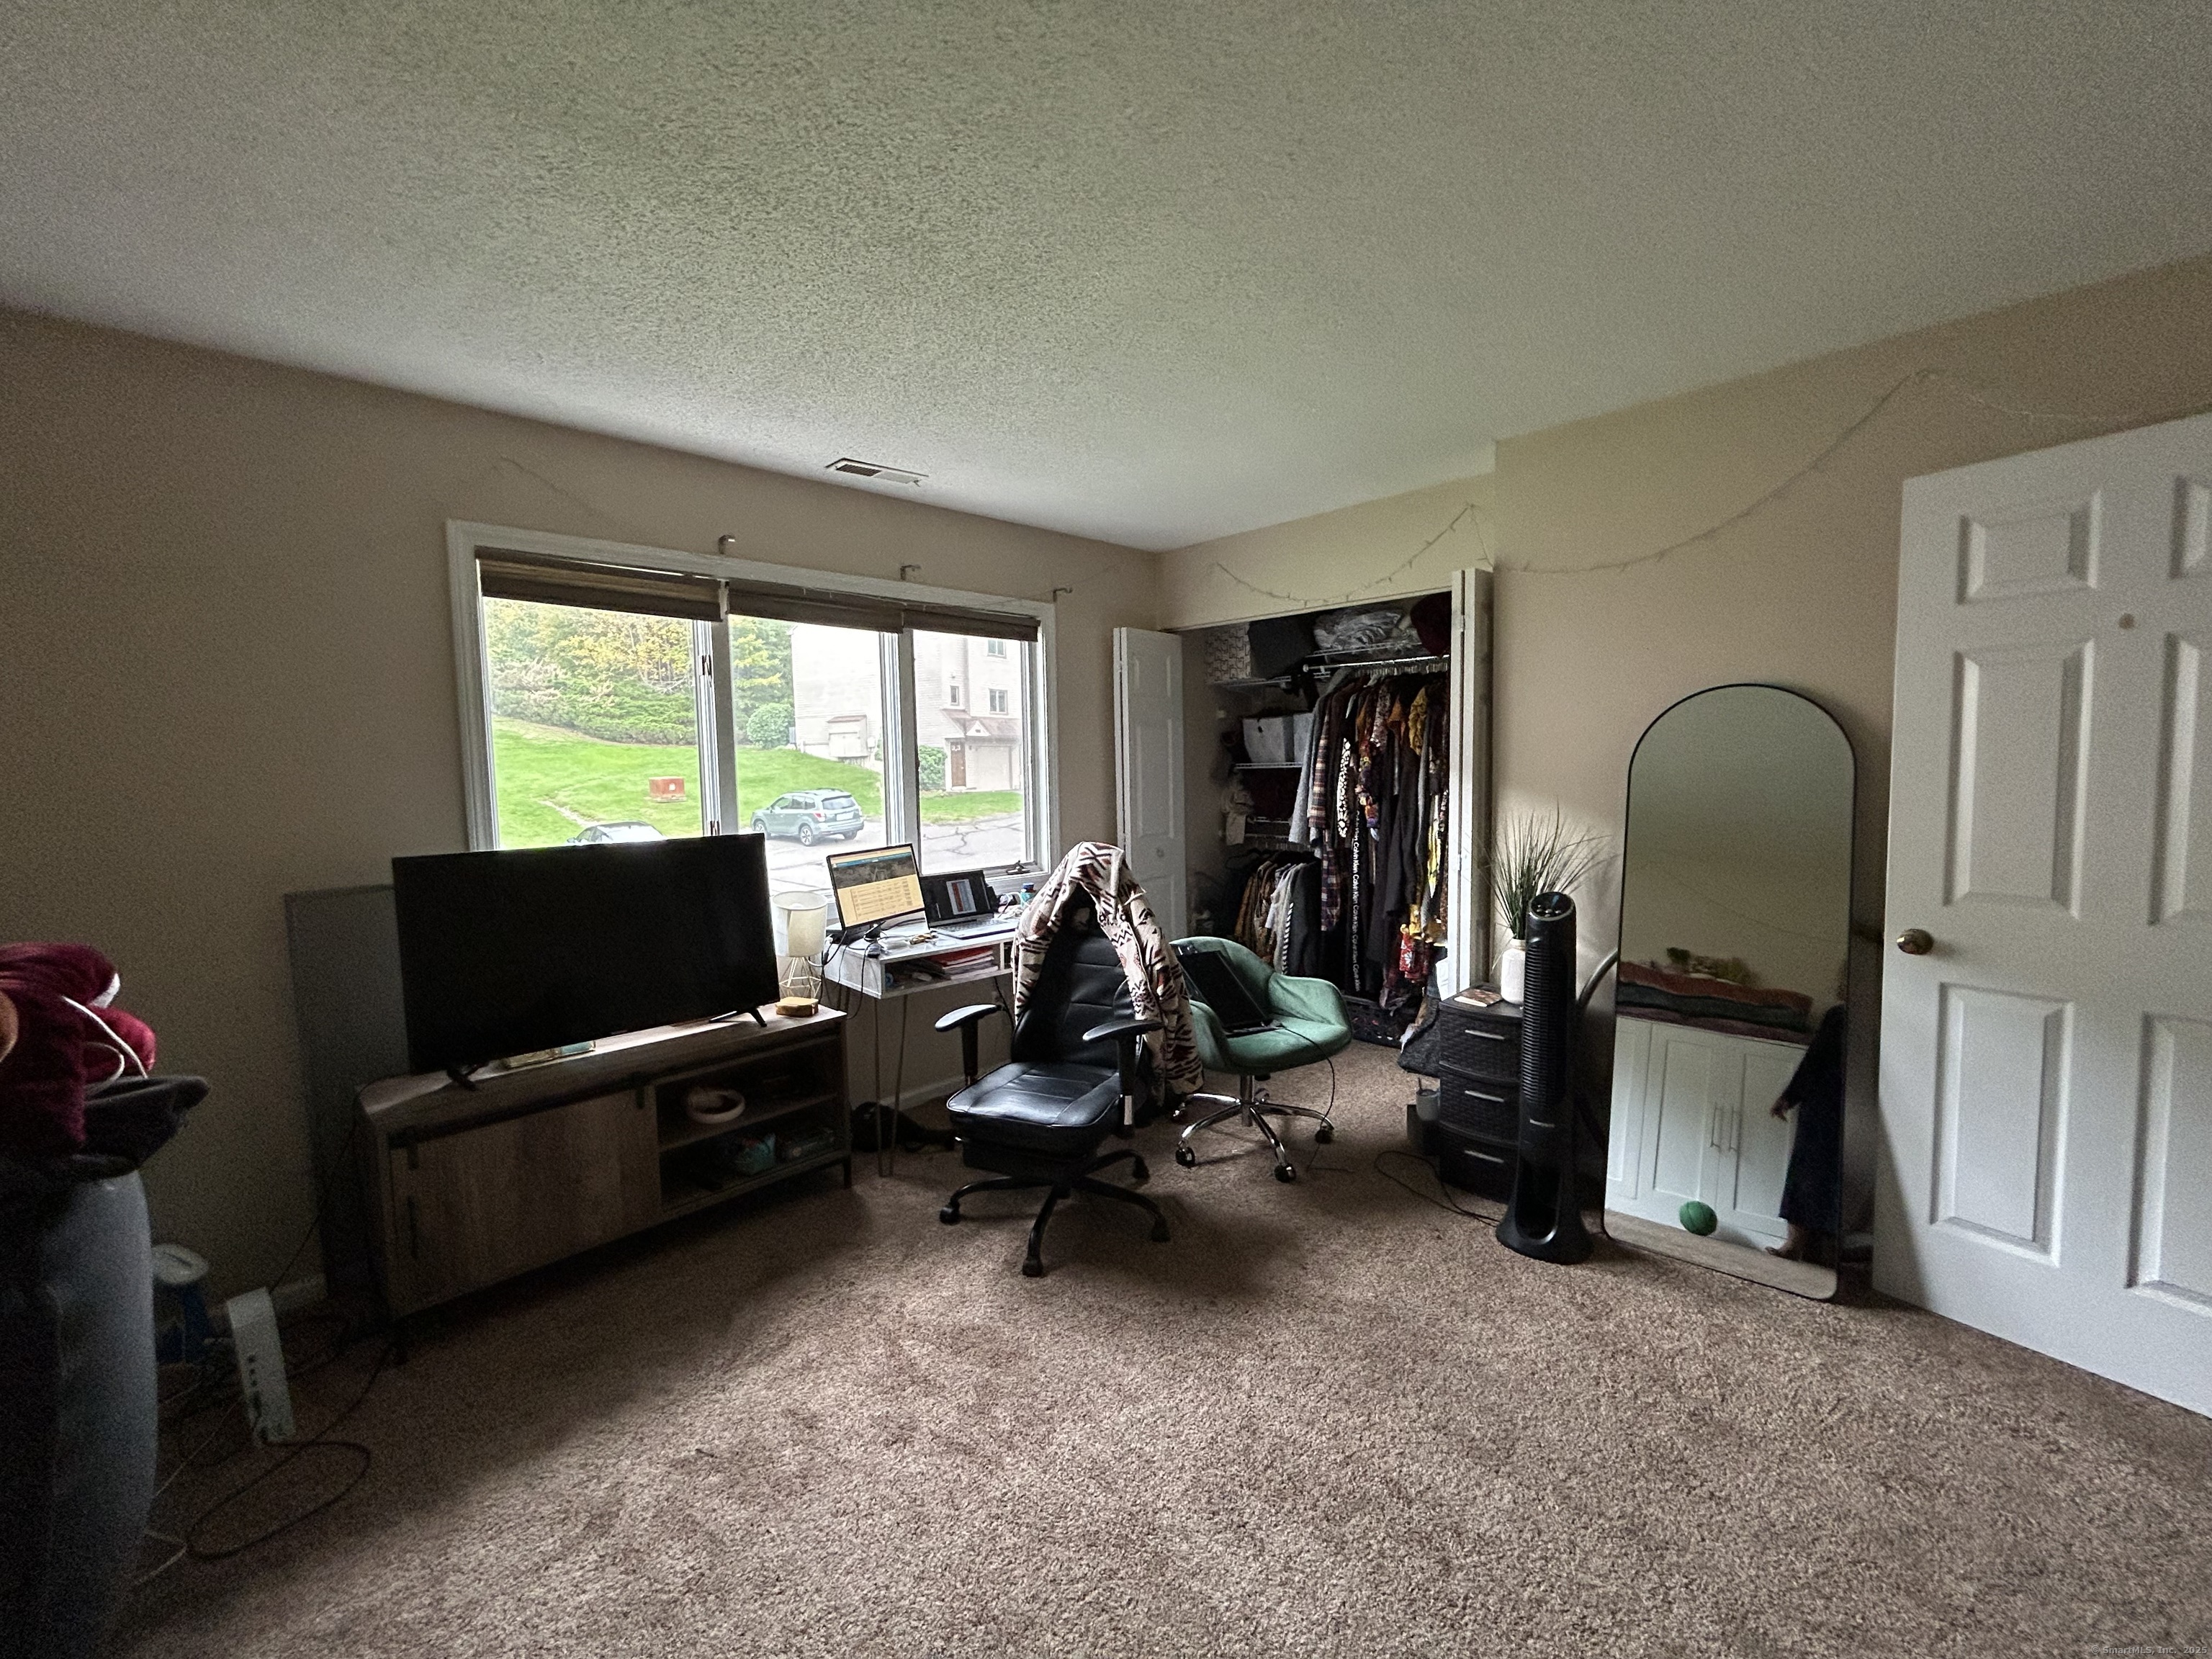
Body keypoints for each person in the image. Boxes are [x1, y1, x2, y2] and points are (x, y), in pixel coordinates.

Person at [1769, 997, 1845, 1263]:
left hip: (1828, 1102)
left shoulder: (1841, 1015)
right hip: (1827, 1101)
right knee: (1817, 1172)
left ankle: (1801, 1245)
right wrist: (1791, 1096)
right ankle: (1802, 1245)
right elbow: (1816, 1059)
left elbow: (1816, 1059)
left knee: (1809, 1170)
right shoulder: (1839, 1016)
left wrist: (1789, 1097)